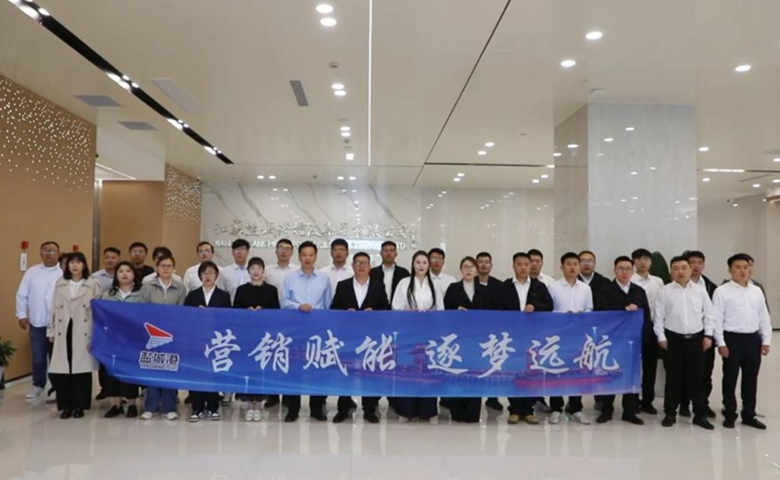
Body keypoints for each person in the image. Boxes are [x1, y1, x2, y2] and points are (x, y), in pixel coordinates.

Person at [653, 256, 716, 430]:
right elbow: (658, 317)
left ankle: (700, 415)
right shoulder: (665, 291)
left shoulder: (700, 291)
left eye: (683, 268)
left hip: (697, 340)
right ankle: (670, 413)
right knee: (673, 379)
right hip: (673, 340)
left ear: (690, 270)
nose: (680, 271)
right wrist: (661, 337)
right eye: (675, 268)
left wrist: (708, 335)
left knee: (697, 379)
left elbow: (709, 315)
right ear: (671, 272)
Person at [330, 252, 391, 424]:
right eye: (358, 263)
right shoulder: (343, 285)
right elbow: (334, 308)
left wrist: (374, 312)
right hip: (348, 337)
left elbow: (386, 309)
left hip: (370, 339)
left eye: (365, 263)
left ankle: (369, 410)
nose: (361, 266)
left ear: (370, 266)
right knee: (346, 372)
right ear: (353, 266)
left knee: (370, 373)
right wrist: (345, 312)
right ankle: (343, 409)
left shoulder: (378, 286)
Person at [713, 254, 772, 430]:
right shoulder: (722, 291)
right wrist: (721, 343)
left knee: (751, 379)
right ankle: (730, 413)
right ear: (730, 270)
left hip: (753, 339)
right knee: (730, 378)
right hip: (732, 339)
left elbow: (764, 317)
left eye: (745, 267)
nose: (742, 271)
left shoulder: (756, 291)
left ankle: (749, 414)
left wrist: (766, 340)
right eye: (738, 267)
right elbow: (717, 319)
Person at [593, 256, 649, 425]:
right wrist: (624, 309)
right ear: (614, 270)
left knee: (631, 375)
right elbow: (601, 312)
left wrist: (644, 338)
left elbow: (646, 316)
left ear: (632, 271)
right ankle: (606, 410)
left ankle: (629, 411)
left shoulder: (639, 291)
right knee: (609, 374)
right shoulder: (604, 290)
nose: (624, 272)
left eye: (628, 269)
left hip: (632, 341)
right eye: (621, 268)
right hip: (611, 340)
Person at [281, 241, 333, 422]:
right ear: (299, 257)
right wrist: (298, 306)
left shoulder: (324, 279)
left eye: (311, 255)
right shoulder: (290, 278)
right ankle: (293, 409)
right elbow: (284, 302)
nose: (307, 258)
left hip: (317, 331)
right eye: (304, 255)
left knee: (317, 369)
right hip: (295, 329)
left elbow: (328, 305)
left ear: (316, 256)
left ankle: (316, 409)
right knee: (294, 369)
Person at [500, 252, 553, 425]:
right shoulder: (505, 287)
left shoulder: (539, 286)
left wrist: (535, 306)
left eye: (526, 264)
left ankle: (529, 410)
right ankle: (514, 409)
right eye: (519, 264)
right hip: (511, 337)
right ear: (513, 266)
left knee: (531, 372)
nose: (523, 267)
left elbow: (549, 306)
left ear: (531, 266)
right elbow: (496, 309)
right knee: (514, 372)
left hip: (533, 337)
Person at [47, 252, 101, 419]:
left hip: (83, 329)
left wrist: (95, 336)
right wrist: (51, 330)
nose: (75, 265)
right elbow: (53, 308)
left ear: (84, 265)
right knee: (63, 369)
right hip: (63, 328)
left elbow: (98, 311)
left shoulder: (92, 284)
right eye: (71, 262)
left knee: (81, 369)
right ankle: (66, 406)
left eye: (78, 262)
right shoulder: (60, 283)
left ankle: (80, 406)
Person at [392, 250, 444, 423]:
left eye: (424, 262)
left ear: (428, 265)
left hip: (428, 333)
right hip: (408, 332)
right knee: (408, 370)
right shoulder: (404, 283)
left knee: (426, 371)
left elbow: (440, 308)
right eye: (418, 262)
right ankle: (406, 410)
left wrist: (431, 314)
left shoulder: (434, 284)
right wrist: (408, 311)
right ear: (413, 264)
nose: (421, 266)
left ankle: (426, 411)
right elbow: (395, 307)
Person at [547, 252, 593, 425]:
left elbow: (590, 309)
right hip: (558, 336)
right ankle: (556, 408)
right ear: (562, 267)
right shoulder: (553, 287)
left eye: (575, 264)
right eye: (568, 264)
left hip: (578, 335)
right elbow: (548, 311)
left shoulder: (585, 288)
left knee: (577, 371)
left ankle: (575, 408)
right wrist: (562, 316)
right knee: (556, 371)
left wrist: (581, 315)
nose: (572, 267)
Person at [139, 254, 187, 421]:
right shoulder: (148, 286)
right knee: (151, 368)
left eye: (169, 266)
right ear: (157, 268)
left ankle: (169, 407)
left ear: (174, 269)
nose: (166, 269)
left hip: (172, 335)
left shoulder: (180, 287)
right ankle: (151, 407)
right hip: (151, 334)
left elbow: (182, 310)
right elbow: (142, 309)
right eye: (163, 266)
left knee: (170, 368)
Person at [233, 256, 281, 421]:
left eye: (259, 268)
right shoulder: (241, 290)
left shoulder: (271, 290)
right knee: (246, 369)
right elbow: (234, 312)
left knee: (261, 370)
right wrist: (245, 312)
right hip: (246, 337)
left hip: (265, 337)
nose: (256, 271)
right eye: (252, 268)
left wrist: (264, 310)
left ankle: (259, 404)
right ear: (248, 271)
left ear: (263, 271)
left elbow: (277, 312)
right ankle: (247, 403)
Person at [442, 256, 489, 423]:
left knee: (474, 375)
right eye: (465, 267)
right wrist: (456, 311)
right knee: (457, 374)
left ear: (476, 270)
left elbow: (490, 314)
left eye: (471, 267)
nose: (468, 270)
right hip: (457, 340)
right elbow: (445, 310)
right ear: (461, 270)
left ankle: (472, 413)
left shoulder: (484, 290)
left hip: (477, 341)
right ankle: (457, 412)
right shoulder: (453, 288)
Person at [184, 261, 232, 422]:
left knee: (213, 374)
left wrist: (213, 314)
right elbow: (186, 316)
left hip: (216, 340)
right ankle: (197, 408)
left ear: (216, 275)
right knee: (197, 374)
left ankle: (213, 407)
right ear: (200, 276)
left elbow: (227, 318)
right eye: (204, 273)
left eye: (211, 273)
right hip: (197, 340)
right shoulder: (193, 295)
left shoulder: (223, 296)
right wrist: (196, 314)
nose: (208, 276)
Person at [16, 241, 62, 399]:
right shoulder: (32, 272)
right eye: (45, 250)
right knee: (38, 357)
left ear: (59, 253)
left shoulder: (63, 272)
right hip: (36, 323)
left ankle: (56, 388)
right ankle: (38, 385)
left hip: (57, 325)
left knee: (56, 357)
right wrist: (21, 315)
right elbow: (22, 294)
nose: (49, 253)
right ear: (40, 253)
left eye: (52, 250)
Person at [100, 261, 143, 418]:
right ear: (116, 275)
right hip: (113, 339)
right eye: (121, 271)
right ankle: (115, 404)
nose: (124, 274)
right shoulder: (108, 294)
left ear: (134, 275)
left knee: (131, 371)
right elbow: (102, 316)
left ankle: (132, 404)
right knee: (112, 371)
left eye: (128, 271)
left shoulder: (141, 294)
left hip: (133, 339)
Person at [680, 250, 718, 418]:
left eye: (699, 263)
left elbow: (713, 314)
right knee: (684, 372)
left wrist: (710, 335)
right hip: (683, 334)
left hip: (705, 335)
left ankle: (703, 404)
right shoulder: (675, 285)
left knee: (705, 372)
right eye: (692, 263)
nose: (696, 266)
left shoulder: (711, 287)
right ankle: (684, 404)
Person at [630, 247, 665, 414]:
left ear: (651, 262)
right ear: (634, 262)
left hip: (653, 326)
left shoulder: (658, 281)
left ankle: (648, 401)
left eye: (646, 259)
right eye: (639, 259)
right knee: (634, 366)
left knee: (650, 365)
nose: (643, 262)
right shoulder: (629, 279)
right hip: (634, 327)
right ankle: (633, 400)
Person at [475, 251, 506, 412]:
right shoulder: (469, 283)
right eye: (480, 261)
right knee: (475, 366)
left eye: (486, 262)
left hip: (494, 333)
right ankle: (474, 396)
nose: (484, 264)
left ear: (491, 265)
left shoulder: (499, 286)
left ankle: (493, 398)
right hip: (475, 332)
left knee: (493, 365)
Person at [264, 238, 300, 303]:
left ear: (292, 253)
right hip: (271, 306)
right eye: (281, 248)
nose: (284, 251)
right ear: (276, 251)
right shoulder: (267, 270)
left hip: (292, 306)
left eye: (287, 249)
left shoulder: (298, 270)